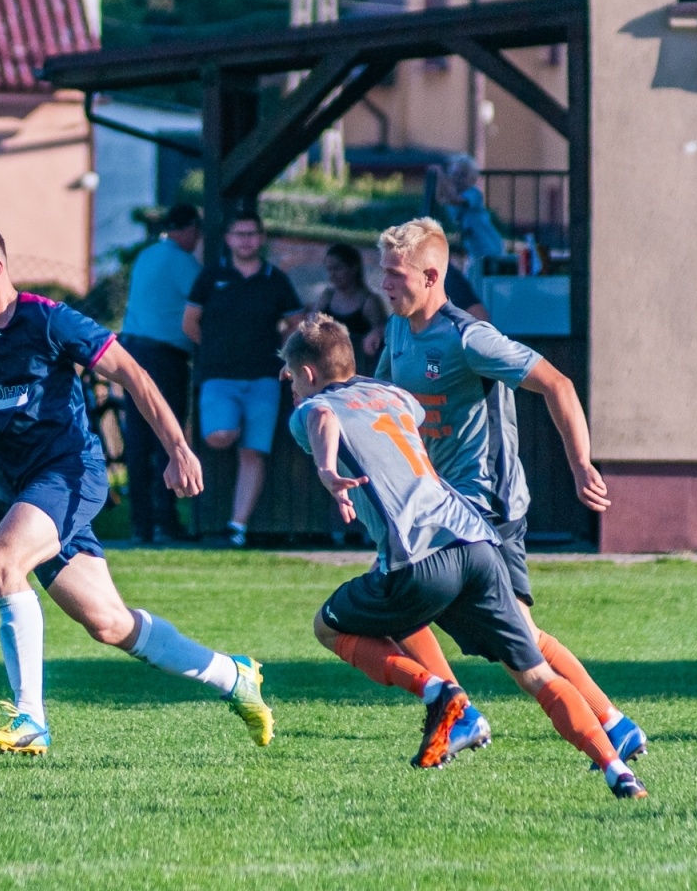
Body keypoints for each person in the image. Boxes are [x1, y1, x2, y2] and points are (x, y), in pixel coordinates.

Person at [0, 218, 273, 755]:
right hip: (25, 491)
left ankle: (31, 720)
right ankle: (233, 677)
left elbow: (134, 376)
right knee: (110, 624)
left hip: (72, 473)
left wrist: (178, 448)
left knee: (2, 558)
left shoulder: (49, 321)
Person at [281, 313, 647, 799]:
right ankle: (617, 770)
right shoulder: (395, 397)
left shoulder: (311, 409)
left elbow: (324, 415)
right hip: (475, 543)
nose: (290, 387)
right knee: (533, 671)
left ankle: (440, 693)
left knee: (328, 627)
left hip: (418, 556)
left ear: (307, 374)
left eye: (291, 377)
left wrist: (328, 468)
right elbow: (404, 419)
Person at [372, 218, 648, 766]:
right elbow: (383, 399)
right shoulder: (399, 331)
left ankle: (467, 713)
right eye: (381, 272)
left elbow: (558, 385)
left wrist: (580, 463)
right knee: (499, 628)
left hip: (486, 509)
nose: (384, 284)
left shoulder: (468, 337)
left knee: (416, 599)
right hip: (439, 505)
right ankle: (608, 724)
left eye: (394, 274)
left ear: (431, 276)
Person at [182, 211, 304, 547]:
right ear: (228, 238)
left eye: (252, 233)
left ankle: (237, 527)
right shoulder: (211, 277)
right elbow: (190, 323)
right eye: (240, 234)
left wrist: (282, 355)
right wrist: (216, 349)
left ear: (261, 238)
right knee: (220, 434)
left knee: (253, 452)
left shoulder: (275, 278)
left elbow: (297, 322)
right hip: (218, 376)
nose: (246, 240)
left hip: (264, 378)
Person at [118, 203, 201, 543]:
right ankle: (166, 521)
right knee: (167, 436)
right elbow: (202, 303)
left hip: (131, 351)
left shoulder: (146, 255)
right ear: (189, 230)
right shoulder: (185, 263)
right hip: (164, 356)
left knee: (137, 439)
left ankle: (140, 523)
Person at [310, 242, 388, 375]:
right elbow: (310, 326)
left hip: (359, 371)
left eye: (337, 268)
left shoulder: (369, 302)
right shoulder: (327, 296)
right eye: (329, 269)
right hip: (327, 370)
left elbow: (382, 336)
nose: (332, 275)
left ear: (354, 268)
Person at [428, 155, 505, 285]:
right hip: (475, 250)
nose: (458, 179)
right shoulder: (454, 198)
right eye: (455, 174)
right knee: (472, 281)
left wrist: (441, 174)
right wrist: (439, 180)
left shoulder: (473, 193)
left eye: (463, 175)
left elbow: (455, 200)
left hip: (489, 247)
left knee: (485, 282)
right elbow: (442, 198)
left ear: (472, 179)